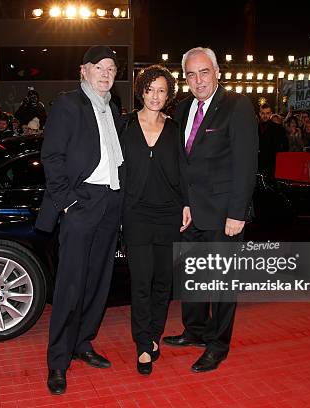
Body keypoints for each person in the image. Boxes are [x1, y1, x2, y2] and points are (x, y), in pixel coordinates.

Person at [162, 47, 258, 373]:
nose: (198, 80)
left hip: (223, 214)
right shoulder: (183, 108)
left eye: (204, 72)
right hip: (192, 213)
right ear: (185, 78)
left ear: (217, 72)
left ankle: (218, 345)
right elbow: (183, 163)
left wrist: (237, 212)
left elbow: (246, 163)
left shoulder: (237, 105)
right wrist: (183, 203)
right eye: (191, 74)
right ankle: (194, 331)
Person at [35, 45, 124, 395]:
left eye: (112, 69)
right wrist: (69, 203)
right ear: (84, 70)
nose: (106, 73)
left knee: (98, 282)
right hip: (82, 202)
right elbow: (51, 156)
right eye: (99, 67)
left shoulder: (113, 109)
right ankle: (58, 361)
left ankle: (83, 343)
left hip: (110, 202)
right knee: (70, 284)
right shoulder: (69, 104)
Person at [121, 65, 191, 375]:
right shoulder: (124, 126)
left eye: (162, 90)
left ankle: (154, 335)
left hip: (168, 214)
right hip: (136, 214)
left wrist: (187, 203)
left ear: (169, 95)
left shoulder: (175, 129)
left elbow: (185, 170)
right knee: (141, 282)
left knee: (163, 282)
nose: (155, 95)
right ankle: (142, 344)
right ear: (141, 91)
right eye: (150, 89)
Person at [257, 103, 287, 178]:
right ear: (260, 114)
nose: (265, 116)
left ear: (271, 113)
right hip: (257, 162)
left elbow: (283, 146)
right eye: (263, 113)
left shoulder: (278, 128)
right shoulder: (254, 127)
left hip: (271, 163)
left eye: (267, 113)